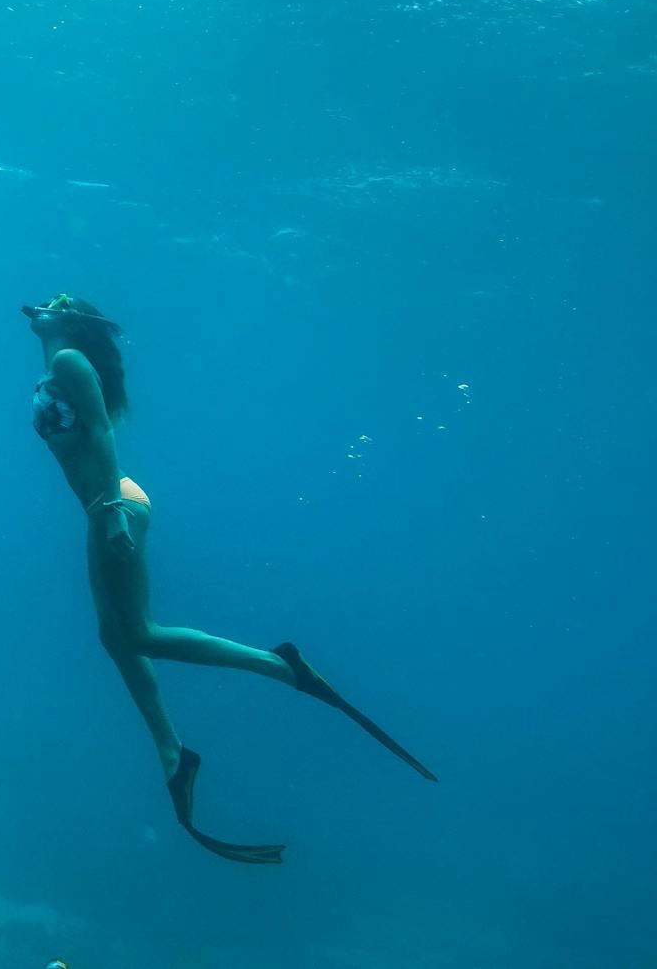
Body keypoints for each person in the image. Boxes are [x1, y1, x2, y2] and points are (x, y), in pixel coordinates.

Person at [24, 293, 435, 863]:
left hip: (111, 507)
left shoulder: (69, 360)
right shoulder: (58, 356)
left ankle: (280, 667)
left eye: (58, 301)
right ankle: (173, 752)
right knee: (114, 637)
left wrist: (112, 512)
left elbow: (99, 432)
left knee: (139, 634)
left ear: (73, 319)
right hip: (103, 506)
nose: (44, 304)